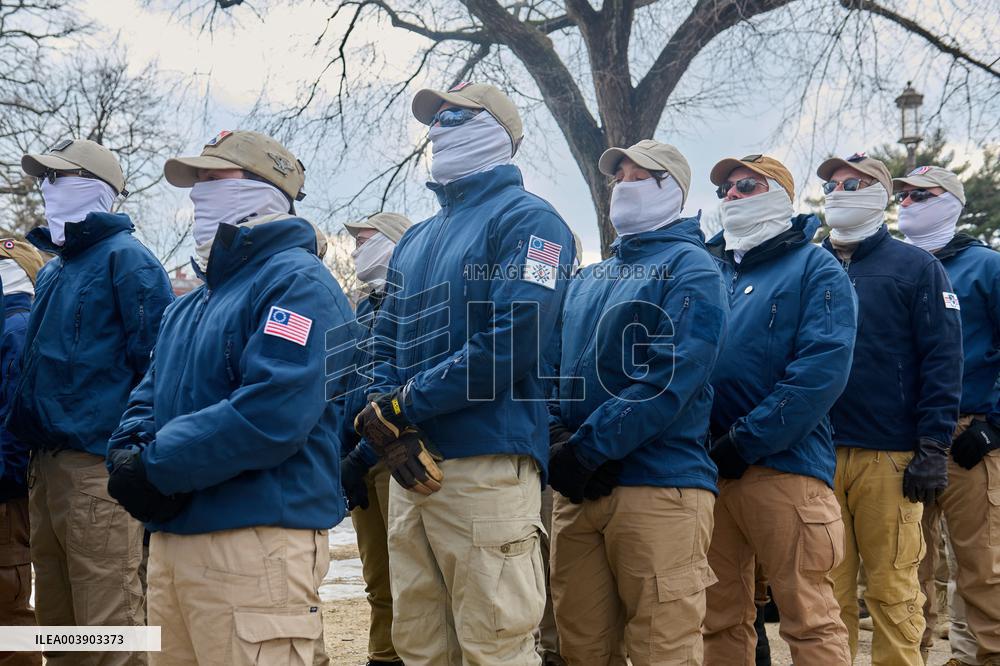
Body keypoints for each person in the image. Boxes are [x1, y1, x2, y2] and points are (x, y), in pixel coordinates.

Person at [105, 130, 356, 666]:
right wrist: (127, 456)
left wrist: (157, 468)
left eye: (213, 178)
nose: (199, 192)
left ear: (263, 187)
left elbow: (273, 410)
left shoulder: (298, 285)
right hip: (174, 543)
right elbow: (147, 397)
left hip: (257, 543)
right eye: (196, 181)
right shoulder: (190, 306)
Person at [355, 82, 575, 664]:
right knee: (420, 645)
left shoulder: (533, 223)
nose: (439, 128)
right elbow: (384, 339)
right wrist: (390, 425)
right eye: (436, 119)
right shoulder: (416, 239)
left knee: (495, 645)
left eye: (456, 116)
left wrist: (405, 406)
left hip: (486, 466)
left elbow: (512, 341)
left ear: (499, 131)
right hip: (411, 468)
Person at [547, 140, 727, 665]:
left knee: (661, 650)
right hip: (577, 492)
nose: (623, 184)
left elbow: (671, 377)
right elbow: (549, 370)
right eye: (618, 176)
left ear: (672, 189)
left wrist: (589, 448)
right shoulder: (588, 279)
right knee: (581, 649)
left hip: (659, 486)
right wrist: (556, 439)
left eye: (639, 175)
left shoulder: (693, 269)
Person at [10, 139, 173, 666]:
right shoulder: (53, 270)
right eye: (44, 178)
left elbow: (158, 370)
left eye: (60, 176)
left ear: (97, 186)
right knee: (58, 630)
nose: (48, 187)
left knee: (109, 630)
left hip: (96, 469)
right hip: (45, 470)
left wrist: (137, 459)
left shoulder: (129, 261)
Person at [702, 153, 856, 665]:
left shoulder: (816, 267)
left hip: (784, 470)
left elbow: (821, 370)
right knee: (718, 620)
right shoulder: (710, 269)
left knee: (809, 619)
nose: (731, 195)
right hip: (708, 471)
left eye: (747, 185)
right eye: (725, 189)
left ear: (779, 195)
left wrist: (747, 440)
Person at [818, 152, 963, 665]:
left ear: (880, 195)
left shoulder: (916, 267)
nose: (839, 192)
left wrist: (932, 446)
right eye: (832, 185)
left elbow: (944, 361)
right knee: (824, 598)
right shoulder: (811, 265)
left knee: (893, 592)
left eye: (853, 183)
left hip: (890, 458)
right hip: (816, 457)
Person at [895, 165, 1000, 666]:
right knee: (904, 565)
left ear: (951, 202)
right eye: (903, 195)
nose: (908, 203)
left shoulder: (987, 268)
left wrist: (995, 425)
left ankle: (981, 656)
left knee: (981, 564)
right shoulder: (895, 266)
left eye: (922, 195)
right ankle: (911, 654)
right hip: (902, 436)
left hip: (969, 435)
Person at [339, 211, 413, 666]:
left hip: (393, 455)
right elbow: (349, 385)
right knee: (376, 574)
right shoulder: (363, 309)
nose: (356, 250)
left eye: (365, 240)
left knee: (408, 572)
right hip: (360, 460)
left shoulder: (415, 303)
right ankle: (383, 654)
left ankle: (411, 653)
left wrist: (366, 452)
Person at [0, 239, 44, 666]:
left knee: (9, 615)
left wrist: (6, 481)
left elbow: (14, 421)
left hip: (6, 497)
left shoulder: (15, 328)